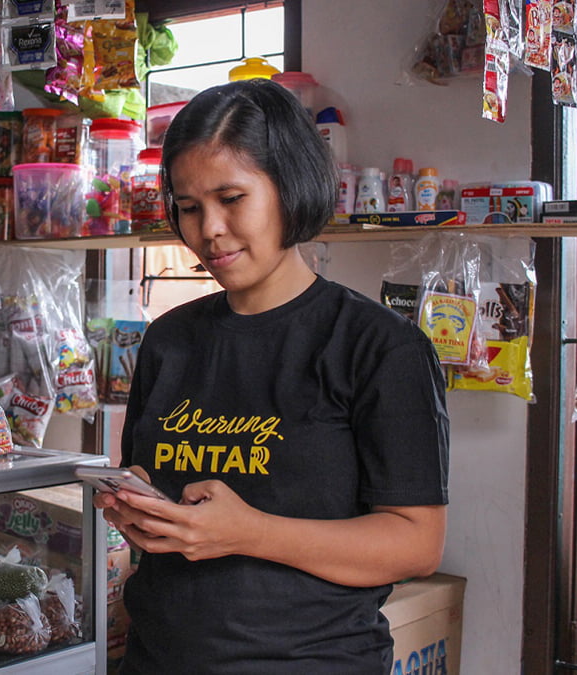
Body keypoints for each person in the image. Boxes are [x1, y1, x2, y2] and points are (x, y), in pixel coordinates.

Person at [95, 78, 450, 673]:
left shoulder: (379, 347)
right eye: (188, 207)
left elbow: (416, 543)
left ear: (290, 188)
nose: (208, 229)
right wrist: (141, 512)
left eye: (231, 198)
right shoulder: (168, 340)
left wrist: (250, 532)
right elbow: (161, 498)